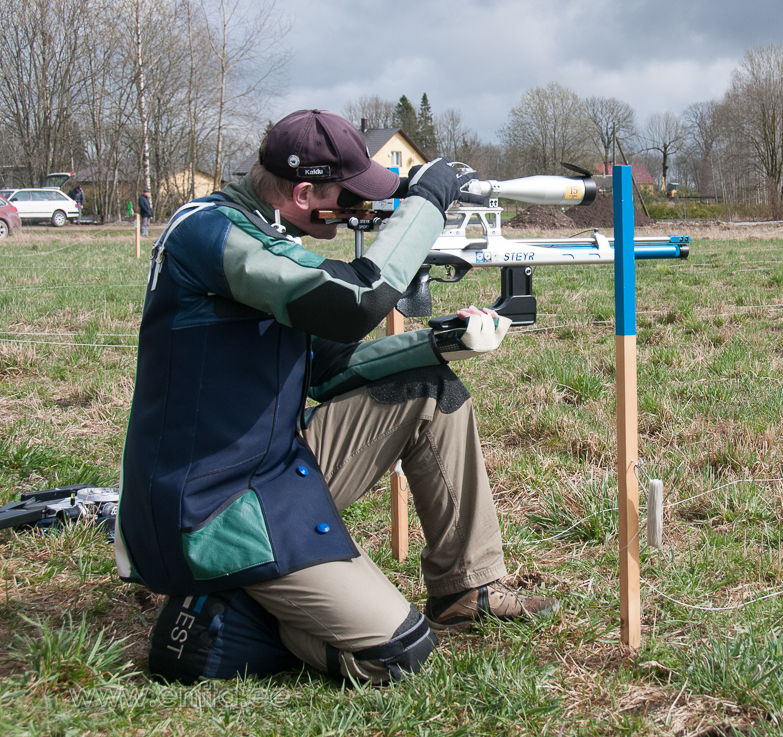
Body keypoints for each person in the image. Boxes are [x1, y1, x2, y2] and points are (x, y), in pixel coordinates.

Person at [116, 109, 557, 685]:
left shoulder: (269, 235)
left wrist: (440, 343)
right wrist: (425, 205)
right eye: (347, 198)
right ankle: (224, 613)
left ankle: (466, 588)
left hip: (273, 467)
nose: (357, 211)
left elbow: (327, 368)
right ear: (303, 192)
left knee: (431, 391)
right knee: (399, 653)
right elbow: (360, 300)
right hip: (210, 504)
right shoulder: (210, 233)